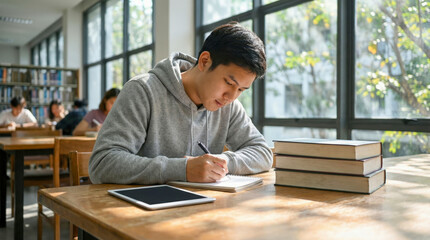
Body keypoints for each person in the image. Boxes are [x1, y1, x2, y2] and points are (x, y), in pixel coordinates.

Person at [89, 22, 272, 185]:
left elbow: (262, 153)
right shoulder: (143, 91)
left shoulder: (229, 106)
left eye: (241, 90)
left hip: (200, 213)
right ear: (205, 61)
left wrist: (221, 163)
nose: (231, 96)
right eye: (229, 83)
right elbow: (102, 163)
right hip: (139, 213)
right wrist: (182, 169)